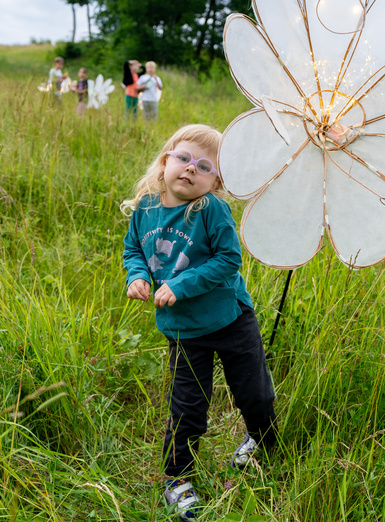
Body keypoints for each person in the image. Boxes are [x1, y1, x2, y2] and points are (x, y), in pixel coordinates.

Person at [121, 124, 277, 520]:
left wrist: (181, 283)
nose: (191, 169)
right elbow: (133, 251)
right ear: (165, 161)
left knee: (253, 394)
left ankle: (262, 441)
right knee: (188, 407)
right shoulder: (145, 210)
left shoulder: (210, 210)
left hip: (231, 319)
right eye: (185, 158)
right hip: (184, 330)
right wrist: (137, 275)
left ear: (216, 181)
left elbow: (228, 261)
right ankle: (177, 478)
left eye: (205, 166)